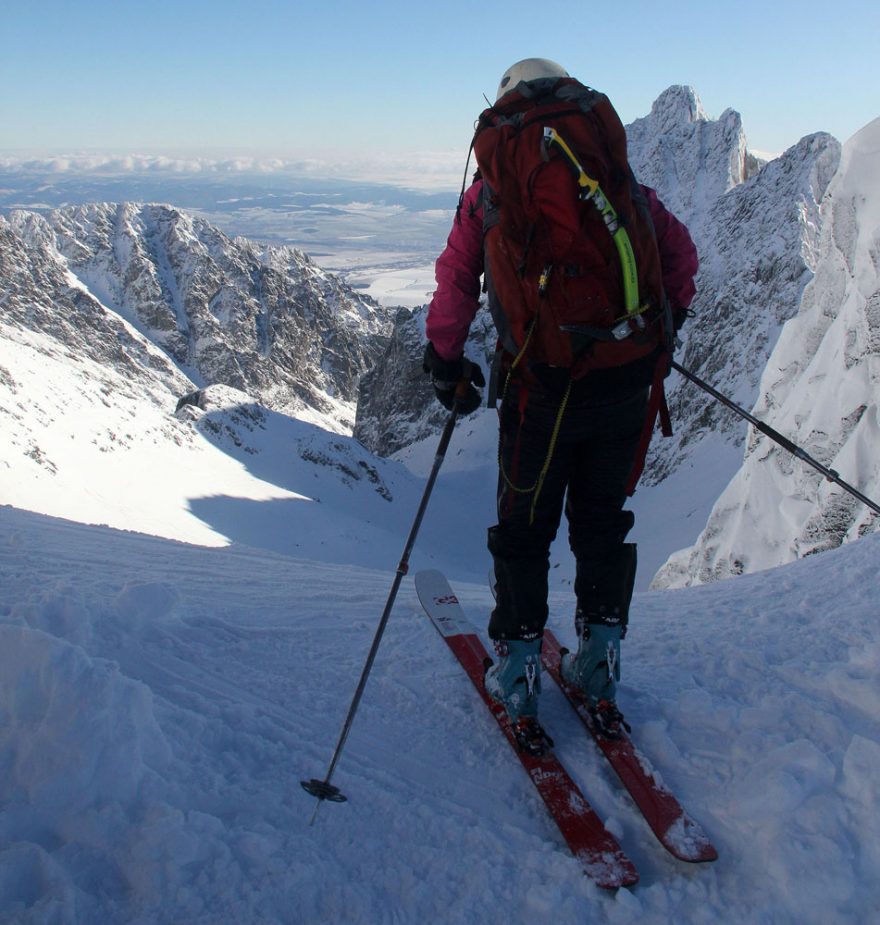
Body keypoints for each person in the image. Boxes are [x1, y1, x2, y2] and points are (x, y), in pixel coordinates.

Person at [423, 58, 698, 754]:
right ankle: (599, 668)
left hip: (541, 393)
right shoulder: (614, 175)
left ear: (506, 107)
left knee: (524, 531)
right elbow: (679, 256)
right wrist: (663, 328)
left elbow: (457, 278)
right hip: (624, 384)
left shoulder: (493, 185)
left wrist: (446, 360)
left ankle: (516, 676)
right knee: (602, 526)